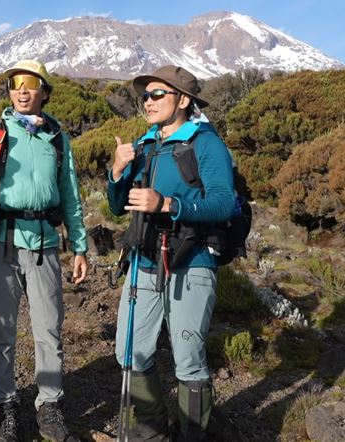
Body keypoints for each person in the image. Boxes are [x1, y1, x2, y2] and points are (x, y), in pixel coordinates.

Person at [0, 59, 89, 442]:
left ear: (45, 91)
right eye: (15, 82)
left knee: (49, 331)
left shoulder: (58, 139)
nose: (22, 89)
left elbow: (71, 198)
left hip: (46, 245)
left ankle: (49, 407)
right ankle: (6, 408)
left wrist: (79, 246)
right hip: (2, 242)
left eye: (31, 82)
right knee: (2, 333)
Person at [107, 65, 237, 441]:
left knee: (188, 360)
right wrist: (117, 171)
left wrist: (168, 204)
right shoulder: (145, 145)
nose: (148, 101)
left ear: (183, 100)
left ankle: (191, 434)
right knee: (130, 352)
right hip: (143, 262)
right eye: (145, 96)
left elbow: (223, 202)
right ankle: (150, 431)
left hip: (192, 262)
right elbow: (119, 206)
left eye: (157, 94)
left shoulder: (205, 143)